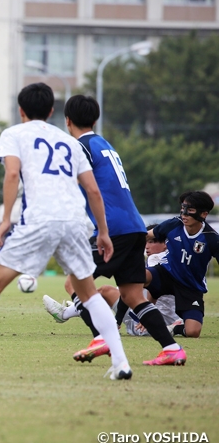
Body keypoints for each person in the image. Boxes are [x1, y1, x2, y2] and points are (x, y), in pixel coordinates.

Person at [0, 83, 132, 379]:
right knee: (89, 293)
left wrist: (4, 221)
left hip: (40, 219)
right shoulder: (70, 142)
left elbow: (12, 173)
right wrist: (103, 232)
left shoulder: (13, 134)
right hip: (75, 221)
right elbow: (92, 189)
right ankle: (121, 363)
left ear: (20, 110)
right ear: (52, 111)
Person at [48, 95, 185, 366]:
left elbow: (87, 188)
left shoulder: (80, 147)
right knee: (132, 295)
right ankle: (171, 348)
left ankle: (101, 338)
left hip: (113, 229)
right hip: (134, 226)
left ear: (67, 121)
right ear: (95, 119)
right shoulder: (104, 144)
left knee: (74, 281)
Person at [43, 225, 181, 336]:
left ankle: (69, 311)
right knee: (112, 291)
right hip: (165, 320)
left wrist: (119, 318)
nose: (147, 246)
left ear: (165, 244)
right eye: (147, 242)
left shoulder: (156, 259)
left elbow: (142, 291)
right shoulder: (175, 260)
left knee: (105, 291)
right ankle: (77, 307)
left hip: (146, 325)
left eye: (152, 241)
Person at [145, 191, 219, 339]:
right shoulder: (173, 224)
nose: (184, 213)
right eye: (183, 208)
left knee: (193, 332)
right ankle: (132, 316)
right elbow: (147, 235)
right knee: (138, 276)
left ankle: (175, 328)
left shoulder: (211, 239)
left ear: (203, 214)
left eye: (190, 210)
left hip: (190, 286)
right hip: (166, 273)